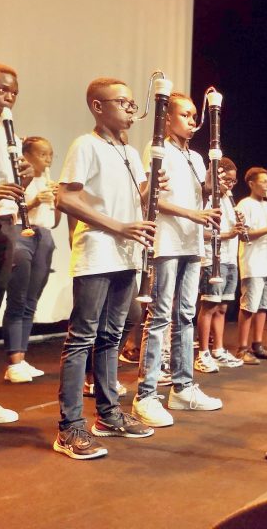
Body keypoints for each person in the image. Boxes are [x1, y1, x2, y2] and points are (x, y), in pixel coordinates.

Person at [54, 77, 156, 459]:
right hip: (98, 251)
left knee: (111, 336)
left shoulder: (128, 152)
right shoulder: (86, 145)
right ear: (98, 107)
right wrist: (118, 227)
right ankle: (69, 428)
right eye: (123, 103)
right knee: (82, 337)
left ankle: (109, 415)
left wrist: (152, 186)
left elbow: (134, 199)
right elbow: (65, 199)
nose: (131, 110)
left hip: (126, 253)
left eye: (132, 104)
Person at [132, 92, 223, 428]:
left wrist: (212, 179)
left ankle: (183, 388)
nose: (192, 121)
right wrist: (193, 214)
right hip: (167, 242)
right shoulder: (157, 148)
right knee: (160, 317)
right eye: (185, 115)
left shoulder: (196, 157)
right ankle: (146, 394)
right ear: (167, 119)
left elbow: (204, 195)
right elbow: (152, 198)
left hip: (191, 242)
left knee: (185, 314)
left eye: (195, 115)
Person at [0, 62, 32, 424]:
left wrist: (22, 180)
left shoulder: (9, 135)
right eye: (2, 89)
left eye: (14, 92)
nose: (9, 97)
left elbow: (11, 191)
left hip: (0, 228)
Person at [2, 136, 60, 383]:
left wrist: (56, 200)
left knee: (31, 300)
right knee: (18, 298)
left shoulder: (48, 182)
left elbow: (54, 221)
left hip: (43, 236)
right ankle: (13, 362)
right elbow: (10, 212)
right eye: (42, 154)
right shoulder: (18, 181)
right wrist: (35, 200)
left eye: (50, 155)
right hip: (21, 234)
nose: (48, 160)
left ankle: (22, 357)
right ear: (26, 156)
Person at [195, 157, 245, 372]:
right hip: (212, 259)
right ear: (218, 177)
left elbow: (233, 231)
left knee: (222, 307)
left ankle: (218, 349)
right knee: (209, 306)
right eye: (227, 180)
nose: (231, 185)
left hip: (230, 259)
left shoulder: (229, 200)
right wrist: (228, 234)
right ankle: (203, 353)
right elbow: (200, 233)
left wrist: (240, 228)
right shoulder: (207, 199)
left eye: (234, 181)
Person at [234, 167, 267, 364]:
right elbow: (243, 235)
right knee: (249, 307)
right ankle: (242, 348)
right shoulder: (244, 205)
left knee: (264, 306)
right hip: (254, 262)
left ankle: (257, 345)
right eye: (264, 182)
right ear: (251, 184)